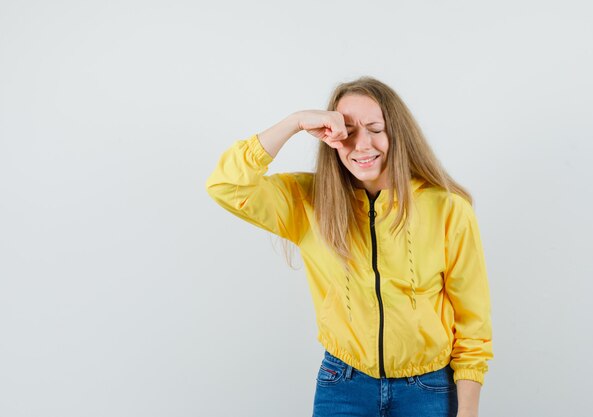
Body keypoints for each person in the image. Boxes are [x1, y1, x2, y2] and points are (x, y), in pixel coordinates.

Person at [205, 77, 493, 417]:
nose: (362, 144)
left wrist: (468, 410)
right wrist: (295, 122)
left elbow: (473, 322)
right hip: (343, 384)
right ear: (330, 136)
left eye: (375, 128)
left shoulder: (447, 208)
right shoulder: (309, 202)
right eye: (348, 131)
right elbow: (226, 185)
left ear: (398, 134)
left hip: (428, 389)